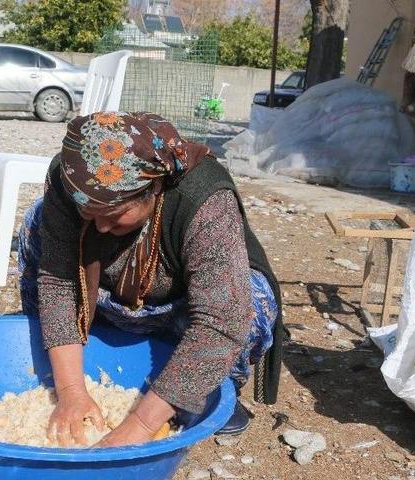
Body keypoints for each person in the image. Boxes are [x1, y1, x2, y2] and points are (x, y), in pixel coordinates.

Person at [17, 111, 283, 447]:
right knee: (34, 224)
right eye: (90, 215)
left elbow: (221, 321)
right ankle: (67, 360)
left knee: (252, 303)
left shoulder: (203, 199)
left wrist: (139, 425)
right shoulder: (69, 178)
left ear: (154, 186)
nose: (100, 228)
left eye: (114, 216)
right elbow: (58, 281)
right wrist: (71, 392)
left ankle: (207, 388)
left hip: (183, 310)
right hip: (112, 300)